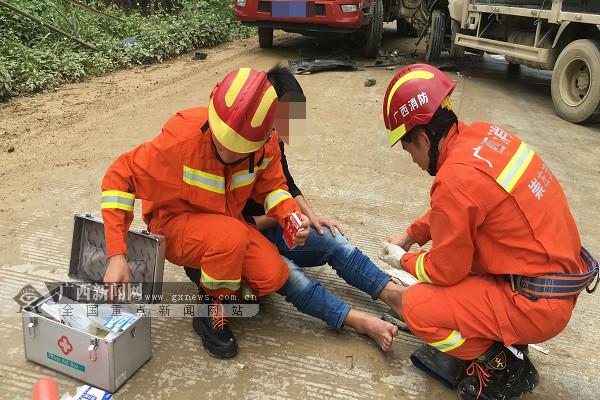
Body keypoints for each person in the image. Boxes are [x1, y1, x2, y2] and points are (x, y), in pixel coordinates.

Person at [378, 64, 598, 400]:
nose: (414, 162)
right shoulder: (481, 136)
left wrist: (404, 260)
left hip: (534, 302)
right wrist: (411, 234)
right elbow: (457, 210)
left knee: (418, 308)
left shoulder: (453, 180)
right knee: (465, 260)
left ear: (423, 139)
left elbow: (446, 269)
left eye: (410, 152)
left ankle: (503, 364)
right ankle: (500, 331)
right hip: (551, 281)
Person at [185, 66, 405, 353]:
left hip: (268, 225)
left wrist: (310, 218)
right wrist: (283, 218)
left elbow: (285, 183)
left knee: (332, 238)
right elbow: (229, 223)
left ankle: (391, 294)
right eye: (287, 116)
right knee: (290, 274)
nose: (291, 126)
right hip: (238, 238)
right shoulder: (227, 145)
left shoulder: (269, 140)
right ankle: (357, 321)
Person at [100, 67, 311, 359]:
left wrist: (290, 216)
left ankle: (206, 269)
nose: (227, 152)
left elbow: (274, 187)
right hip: (174, 224)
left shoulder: (267, 143)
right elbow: (119, 177)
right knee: (230, 238)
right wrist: (116, 254)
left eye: (239, 150)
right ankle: (210, 307)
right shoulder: (181, 139)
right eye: (222, 142)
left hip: (225, 225)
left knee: (272, 276)